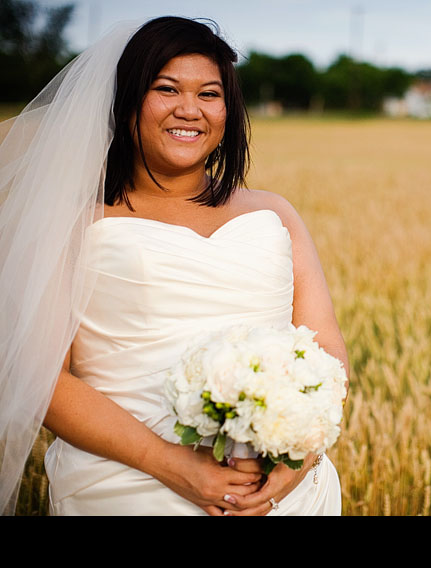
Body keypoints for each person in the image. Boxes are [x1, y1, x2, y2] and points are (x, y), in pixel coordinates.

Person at [0, 16, 348, 515]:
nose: (190, 110)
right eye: (167, 89)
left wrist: (293, 465)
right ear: (126, 105)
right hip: (127, 482)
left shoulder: (275, 213)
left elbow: (326, 351)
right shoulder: (75, 224)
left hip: (281, 493)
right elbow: (44, 381)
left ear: (228, 110)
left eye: (210, 94)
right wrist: (173, 465)